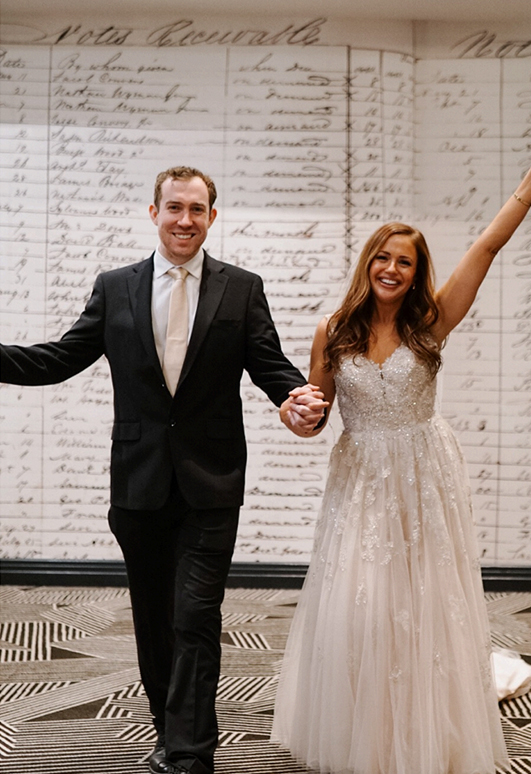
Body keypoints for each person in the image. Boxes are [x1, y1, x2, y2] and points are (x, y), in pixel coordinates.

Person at [0, 166, 326, 774]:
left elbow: (269, 364)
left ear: (212, 217)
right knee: (154, 621)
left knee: (196, 615)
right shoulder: (116, 286)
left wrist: (295, 398)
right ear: (154, 213)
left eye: (197, 210)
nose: (185, 220)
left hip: (212, 481)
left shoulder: (242, 288)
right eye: (174, 208)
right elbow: (60, 358)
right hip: (139, 482)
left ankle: (189, 750)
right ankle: (166, 724)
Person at [272, 138, 531, 774]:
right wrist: (293, 413)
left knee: (421, 598)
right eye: (381, 257)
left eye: (404, 262)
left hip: (423, 474)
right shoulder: (334, 329)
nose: (390, 269)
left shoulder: (431, 322)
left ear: (416, 273)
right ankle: (365, 720)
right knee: (363, 600)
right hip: (360, 478)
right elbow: (313, 415)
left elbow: (487, 248)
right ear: (367, 263)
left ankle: (426, 716)